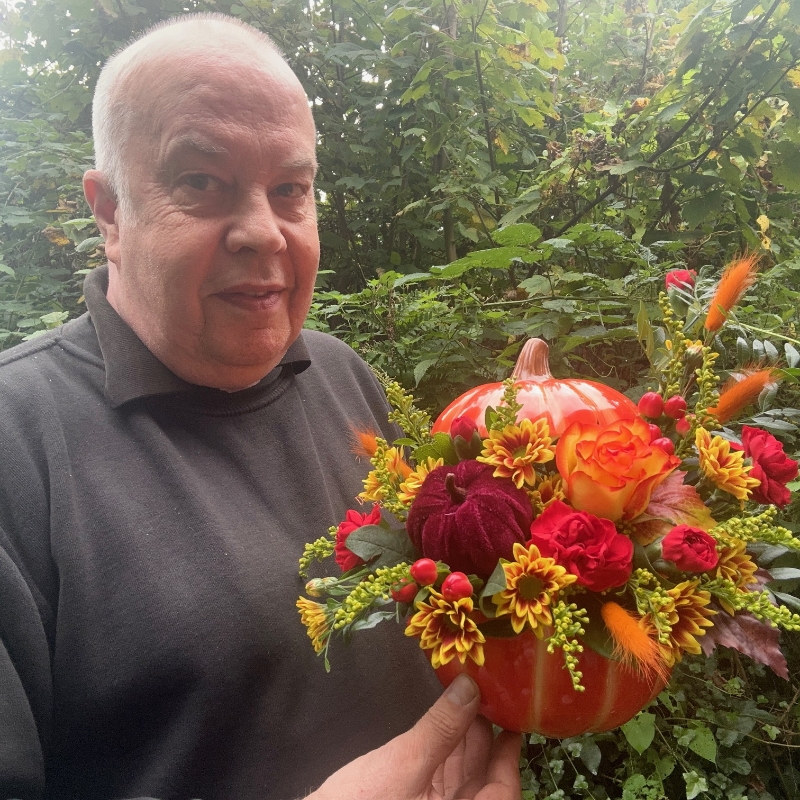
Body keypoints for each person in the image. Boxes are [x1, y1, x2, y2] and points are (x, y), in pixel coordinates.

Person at [0, 14, 521, 800]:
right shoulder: (18, 443)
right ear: (109, 212)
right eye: (201, 182)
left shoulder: (345, 376)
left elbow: (438, 614)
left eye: (290, 189)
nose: (261, 232)